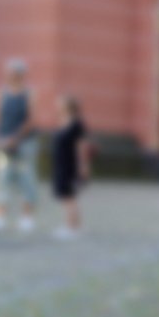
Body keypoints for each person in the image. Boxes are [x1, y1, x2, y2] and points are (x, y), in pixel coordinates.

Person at [0, 58, 37, 231]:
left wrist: (15, 137)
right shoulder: (1, 93)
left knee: (26, 180)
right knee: (0, 179)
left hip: (24, 145)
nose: (11, 76)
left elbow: (31, 120)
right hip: (2, 144)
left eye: (15, 73)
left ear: (21, 74)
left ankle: (27, 218)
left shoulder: (29, 93)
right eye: (9, 73)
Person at [50, 94, 93, 239]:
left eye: (60, 104)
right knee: (65, 196)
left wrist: (83, 166)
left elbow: (81, 147)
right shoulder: (63, 122)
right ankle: (72, 225)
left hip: (70, 165)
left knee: (69, 196)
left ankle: (71, 227)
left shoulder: (76, 125)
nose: (57, 107)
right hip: (61, 164)